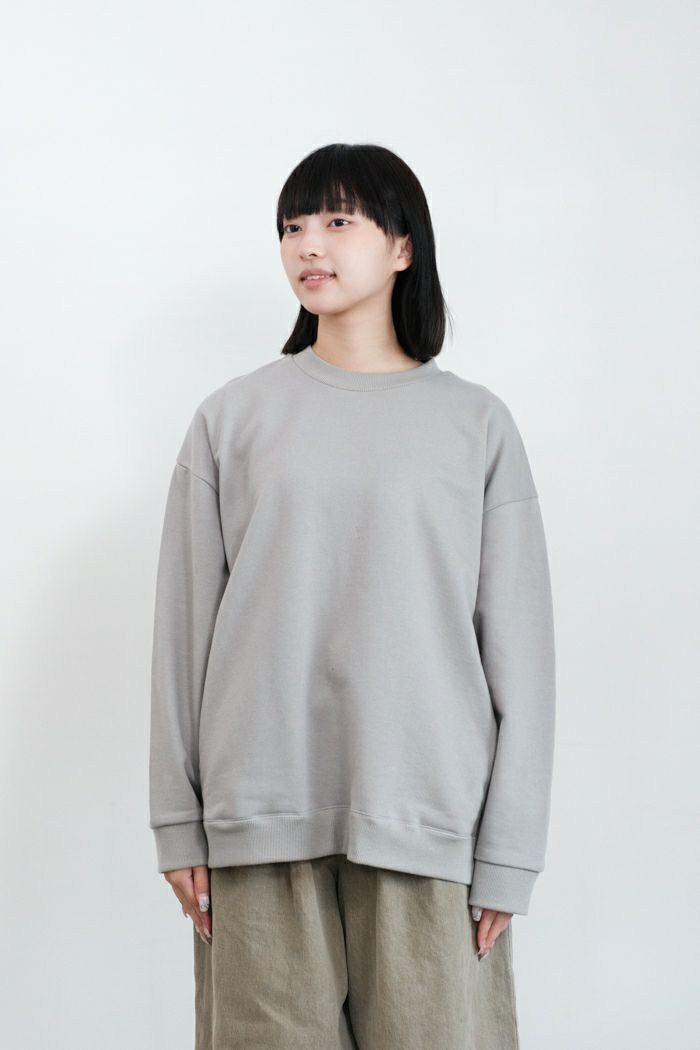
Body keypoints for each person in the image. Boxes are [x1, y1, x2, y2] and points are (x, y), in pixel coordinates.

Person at [148, 142, 556, 1050]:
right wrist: (178, 824)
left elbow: (522, 658)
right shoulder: (231, 419)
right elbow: (182, 636)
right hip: (257, 823)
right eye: (292, 226)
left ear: (403, 246)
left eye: (338, 221)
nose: (308, 245)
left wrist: (509, 852)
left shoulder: (475, 425)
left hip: (429, 823)